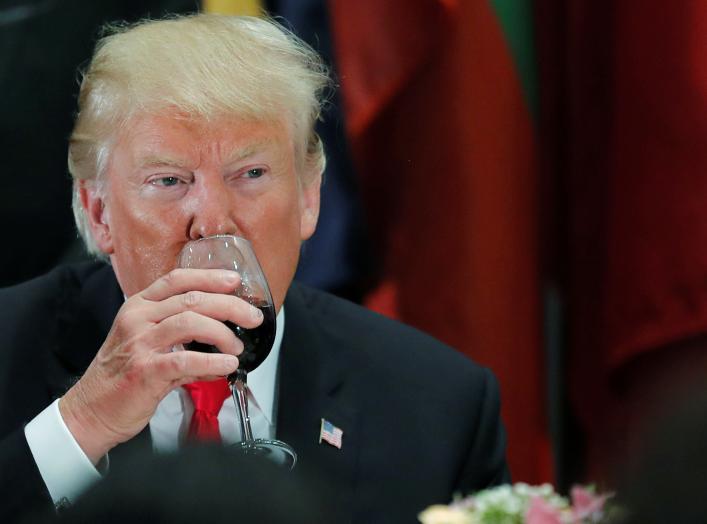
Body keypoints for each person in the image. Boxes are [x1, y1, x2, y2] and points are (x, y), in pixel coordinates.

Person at [0, 13, 509, 523]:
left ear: (310, 196)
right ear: (98, 211)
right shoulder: (9, 351)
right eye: (170, 180)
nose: (214, 222)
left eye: (251, 173)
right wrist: (82, 422)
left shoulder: (441, 406)